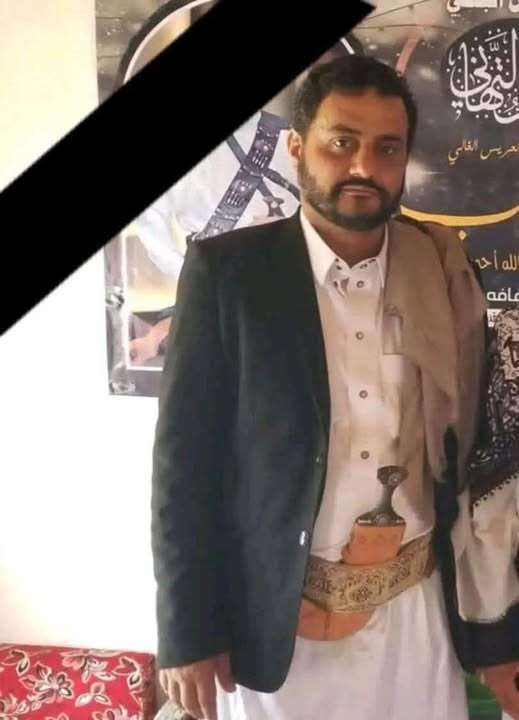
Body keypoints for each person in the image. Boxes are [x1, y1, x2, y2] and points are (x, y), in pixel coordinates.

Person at [151, 56, 519, 720]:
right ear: (297, 148)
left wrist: (495, 634)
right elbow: (184, 469)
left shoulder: (439, 266)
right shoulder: (229, 275)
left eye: (386, 148)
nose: (362, 167)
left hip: (414, 614)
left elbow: (474, 459)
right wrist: (188, 633)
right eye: (340, 142)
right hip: (278, 622)